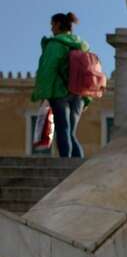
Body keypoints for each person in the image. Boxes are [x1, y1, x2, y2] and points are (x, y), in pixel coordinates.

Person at [30, 13, 90, 158]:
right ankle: (78, 166)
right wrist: (87, 98)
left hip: (59, 92)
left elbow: (47, 70)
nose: (51, 28)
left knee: (63, 129)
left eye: (52, 25)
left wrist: (41, 94)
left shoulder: (55, 44)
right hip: (79, 94)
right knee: (71, 132)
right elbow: (88, 72)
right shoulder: (82, 45)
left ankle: (65, 164)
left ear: (57, 24)